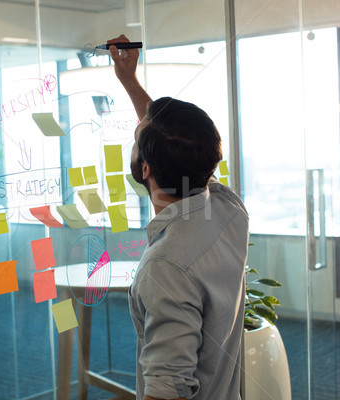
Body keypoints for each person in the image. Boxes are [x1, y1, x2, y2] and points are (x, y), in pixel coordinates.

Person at [107, 34, 250, 400]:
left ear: (145, 170)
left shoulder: (166, 267)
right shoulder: (228, 209)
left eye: (136, 141)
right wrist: (129, 81)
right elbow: (179, 142)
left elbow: (167, 388)